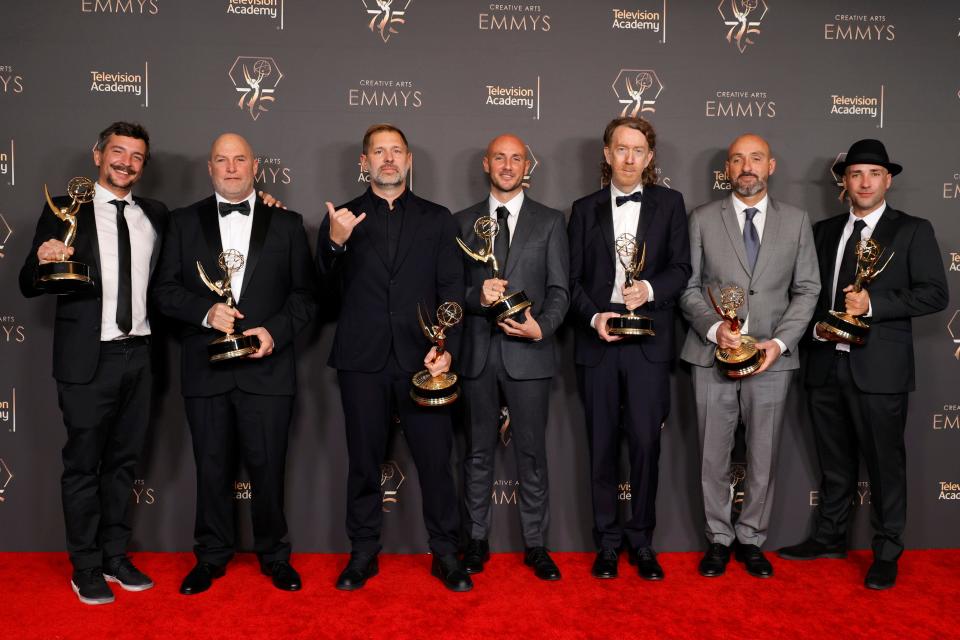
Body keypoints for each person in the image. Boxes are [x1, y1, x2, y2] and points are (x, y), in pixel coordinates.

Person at [778, 139, 947, 590]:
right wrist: (814, 330)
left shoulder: (912, 230)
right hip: (824, 364)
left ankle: (887, 551)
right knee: (834, 461)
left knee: (885, 465)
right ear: (845, 183)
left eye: (874, 173)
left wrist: (873, 304)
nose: (865, 181)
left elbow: (935, 293)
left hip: (880, 369)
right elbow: (805, 293)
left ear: (888, 180)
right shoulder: (823, 231)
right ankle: (829, 537)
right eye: (856, 174)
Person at [151, 133, 317, 595]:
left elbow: (306, 296)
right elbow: (163, 292)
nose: (230, 167)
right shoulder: (183, 223)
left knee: (269, 468)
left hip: (267, 370)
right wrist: (205, 313)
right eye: (221, 160)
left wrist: (274, 332)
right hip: (206, 371)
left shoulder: (287, 224)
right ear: (209, 168)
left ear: (254, 166)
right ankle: (210, 556)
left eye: (239, 159)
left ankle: (274, 555)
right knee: (210, 468)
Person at [19, 122, 168, 605]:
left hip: (141, 357)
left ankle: (114, 555)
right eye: (118, 152)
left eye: (137, 155)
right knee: (84, 465)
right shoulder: (67, 208)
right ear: (98, 155)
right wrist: (44, 256)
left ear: (145, 164)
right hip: (89, 360)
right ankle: (84, 565)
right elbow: (28, 281)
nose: (126, 162)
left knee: (124, 464)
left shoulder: (156, 215)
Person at [317, 123, 470, 592]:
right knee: (363, 461)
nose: (387, 159)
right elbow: (322, 298)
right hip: (362, 361)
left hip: (423, 361)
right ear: (363, 162)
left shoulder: (438, 217)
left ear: (408, 160)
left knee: (436, 461)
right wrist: (335, 245)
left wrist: (446, 351)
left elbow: (451, 292)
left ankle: (446, 553)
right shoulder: (339, 218)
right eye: (378, 152)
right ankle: (362, 553)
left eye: (395, 151)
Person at [679, 133, 820, 579]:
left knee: (764, 456)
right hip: (711, 356)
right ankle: (719, 539)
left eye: (755, 158)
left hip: (773, 362)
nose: (747, 167)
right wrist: (716, 328)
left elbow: (808, 289)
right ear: (728, 168)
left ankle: (751, 538)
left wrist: (778, 345)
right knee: (712, 458)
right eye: (738, 159)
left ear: (771, 166)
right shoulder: (701, 219)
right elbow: (687, 287)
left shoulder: (797, 221)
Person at [567, 116, 691, 580]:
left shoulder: (671, 204)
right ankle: (606, 543)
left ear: (650, 157)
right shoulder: (583, 209)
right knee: (601, 448)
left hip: (648, 348)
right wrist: (595, 316)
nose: (629, 157)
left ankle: (641, 542)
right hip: (598, 343)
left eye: (638, 150)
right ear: (607, 153)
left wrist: (651, 291)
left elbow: (682, 268)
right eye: (621, 148)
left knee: (644, 447)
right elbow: (572, 279)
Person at [455, 134, 569, 580]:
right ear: (486, 163)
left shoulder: (550, 221)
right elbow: (450, 292)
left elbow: (559, 290)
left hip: (530, 354)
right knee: (476, 454)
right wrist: (474, 295)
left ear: (528, 165)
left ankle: (536, 545)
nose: (507, 165)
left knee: (532, 455)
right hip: (477, 356)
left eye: (516, 158)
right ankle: (476, 540)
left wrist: (544, 326)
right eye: (499, 157)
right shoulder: (460, 222)